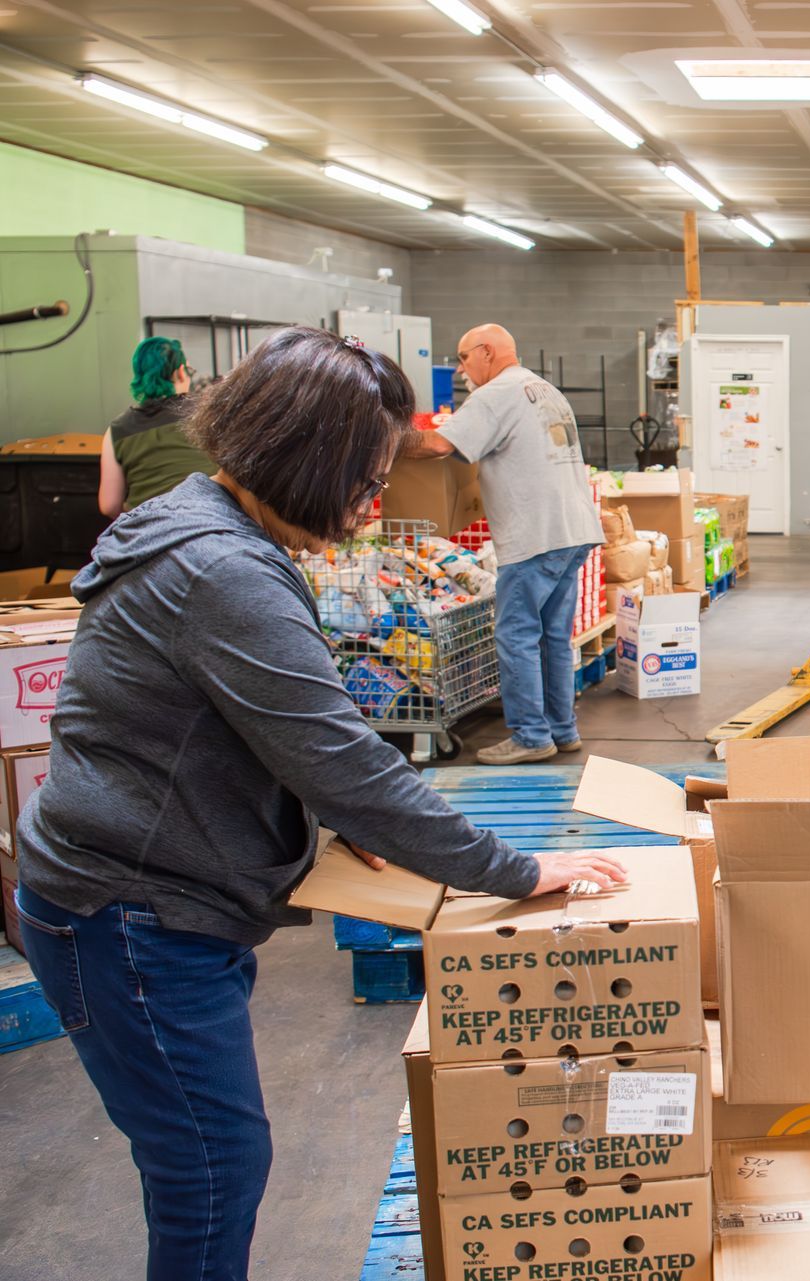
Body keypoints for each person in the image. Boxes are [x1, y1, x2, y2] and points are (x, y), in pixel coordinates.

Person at [13, 326, 625, 1281]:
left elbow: (257, 720)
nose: (371, 501)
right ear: (305, 458)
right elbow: (342, 755)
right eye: (364, 475)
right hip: (129, 912)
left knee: (207, 1155)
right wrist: (519, 869)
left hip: (156, 893)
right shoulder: (222, 571)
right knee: (212, 1165)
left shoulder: (204, 519)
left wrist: (328, 817)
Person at [399, 323, 604, 764]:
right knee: (552, 634)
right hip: (572, 530)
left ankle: (531, 736)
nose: (460, 369)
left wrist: (380, 441)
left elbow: (437, 444)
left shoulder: (496, 394)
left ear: (487, 352)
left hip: (534, 535)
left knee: (516, 635)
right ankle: (561, 729)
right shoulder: (542, 388)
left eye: (463, 357)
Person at [98, 335, 216, 518]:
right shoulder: (209, 414)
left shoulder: (116, 429)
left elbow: (109, 505)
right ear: (181, 372)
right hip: (210, 524)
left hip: (147, 532)